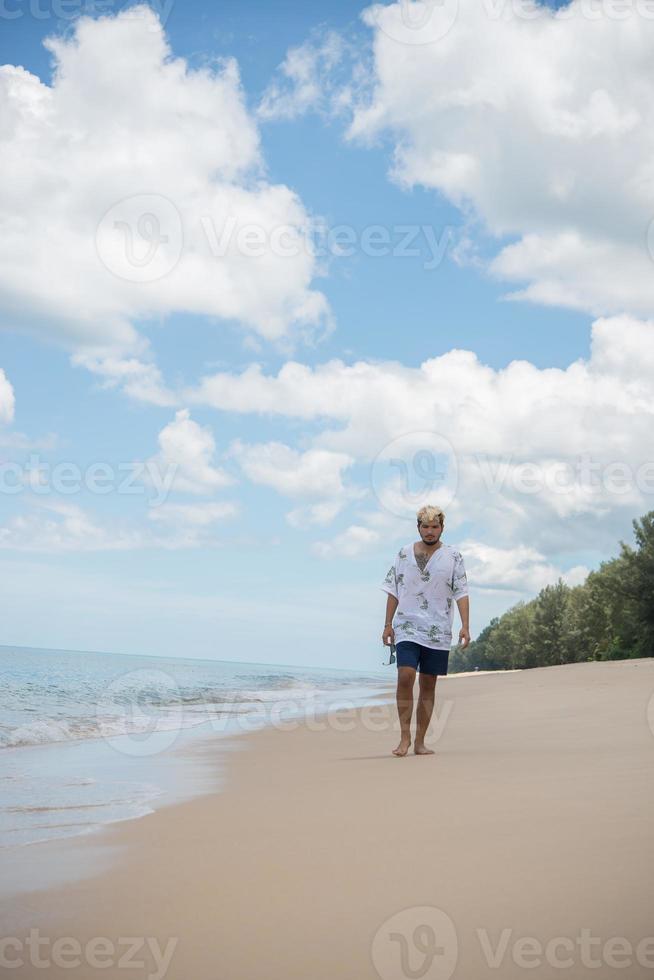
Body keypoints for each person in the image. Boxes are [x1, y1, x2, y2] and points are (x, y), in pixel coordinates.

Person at [380, 504, 470, 756]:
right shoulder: (403, 554)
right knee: (406, 676)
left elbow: (462, 592)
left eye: (435, 526)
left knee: (428, 684)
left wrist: (465, 625)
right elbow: (392, 589)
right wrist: (387, 624)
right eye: (425, 526)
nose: (430, 531)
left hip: (438, 629)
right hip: (407, 625)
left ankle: (420, 742)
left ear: (442, 528)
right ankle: (404, 738)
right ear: (418, 527)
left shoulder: (453, 556)